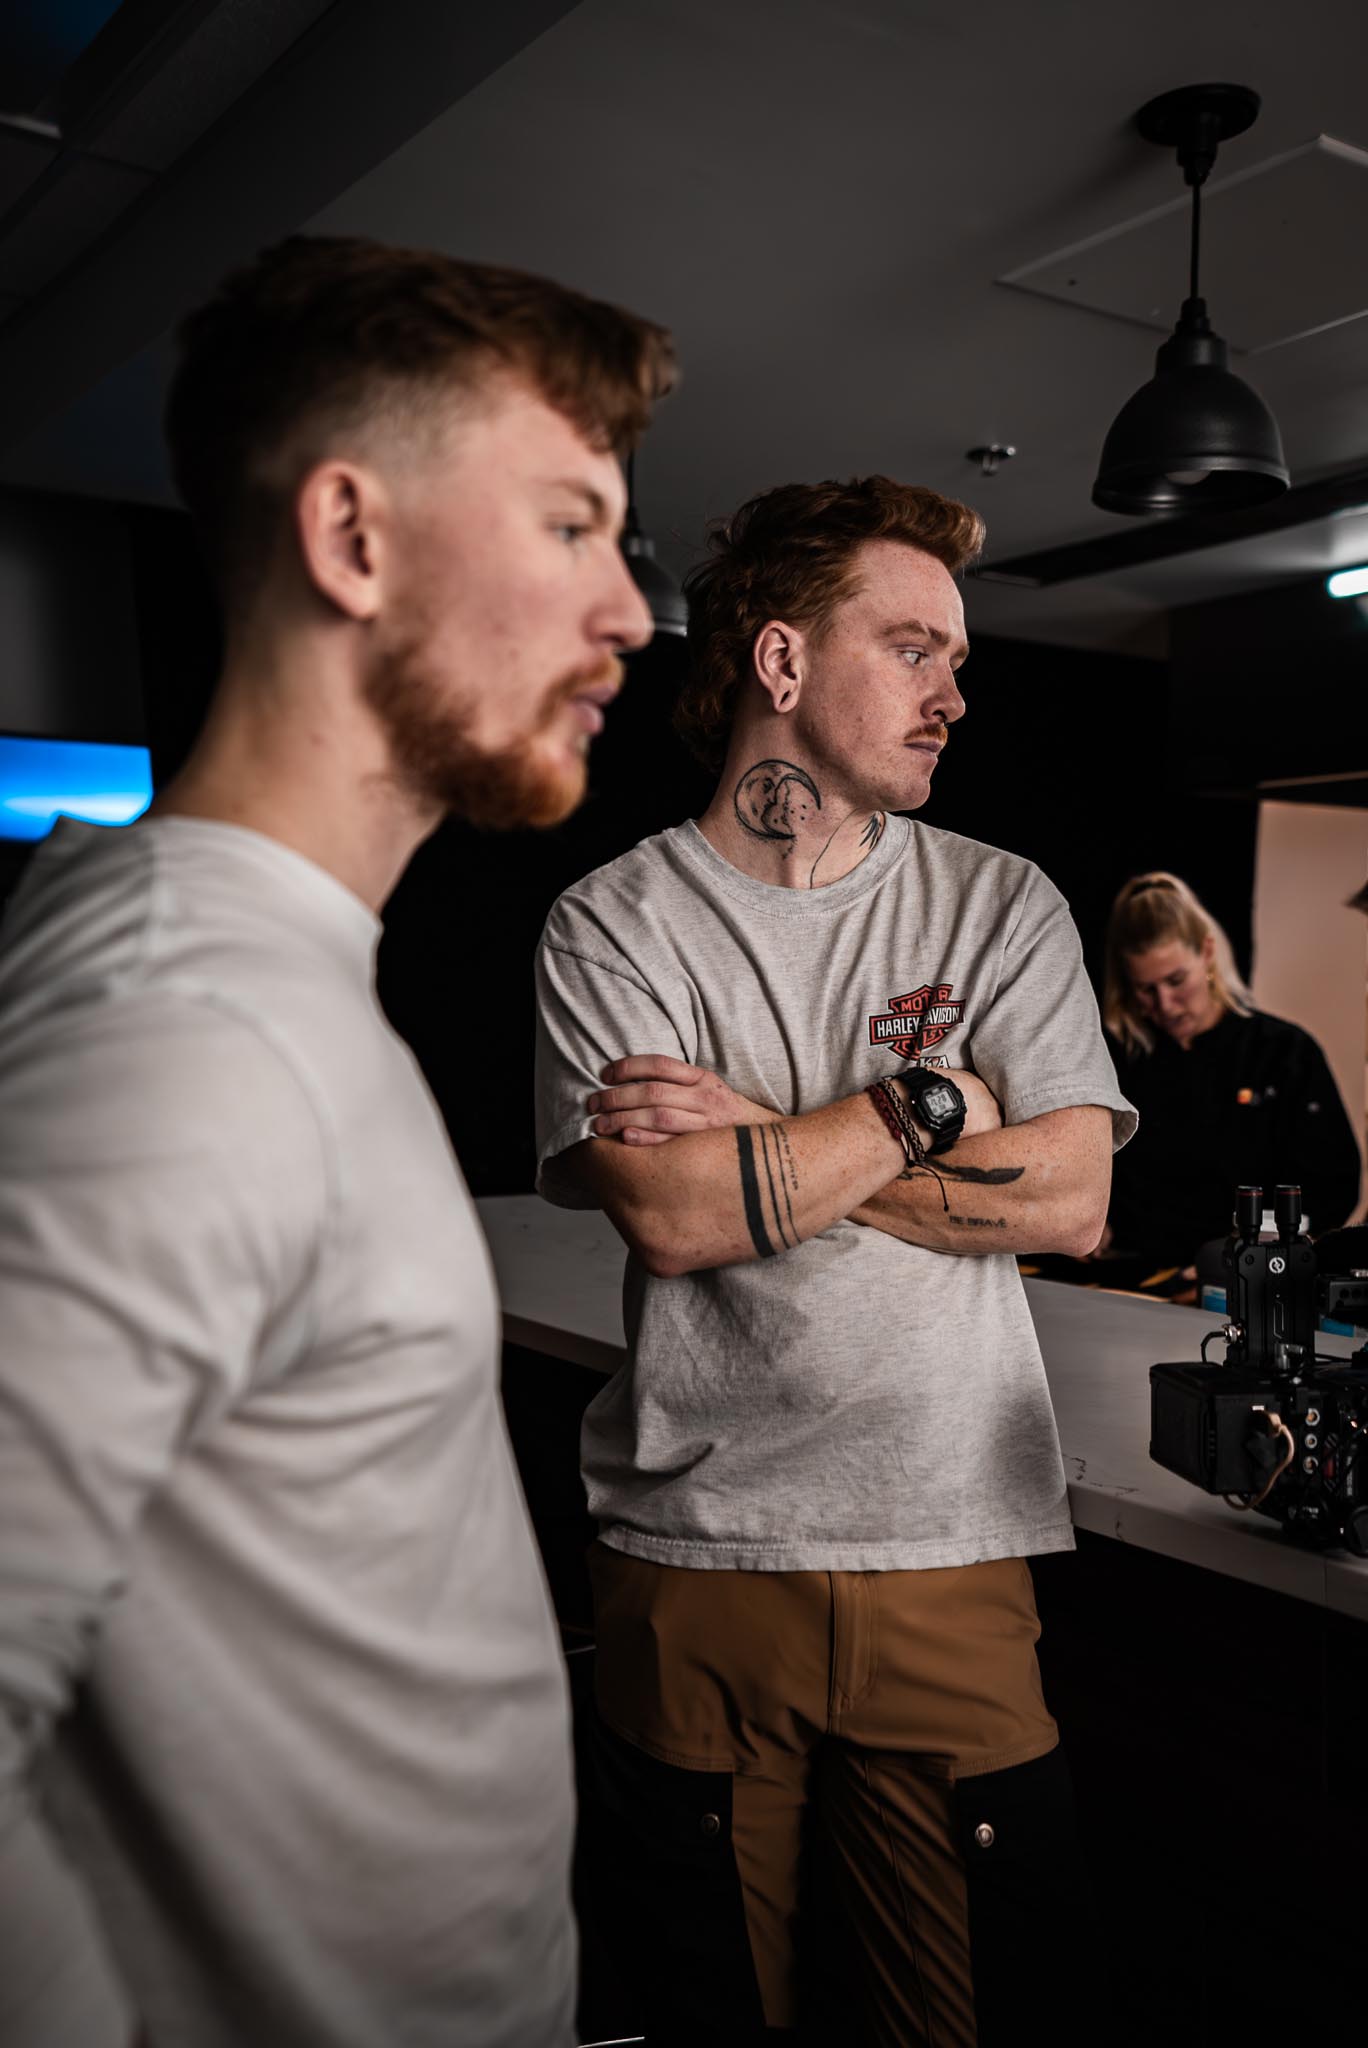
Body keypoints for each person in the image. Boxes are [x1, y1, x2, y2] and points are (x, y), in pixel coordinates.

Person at [0, 234, 673, 2048]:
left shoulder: (241, 969)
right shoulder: (193, 1032)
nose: (629, 610)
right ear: (351, 538)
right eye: (570, 525)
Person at [534, 477, 1137, 2045]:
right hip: (695, 1556)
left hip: (951, 1543)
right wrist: (927, 1105)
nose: (954, 695)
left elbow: (1073, 1199)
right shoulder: (614, 925)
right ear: (784, 662)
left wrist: (762, 1137)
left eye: (959, 660)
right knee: (714, 2009)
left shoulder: (1000, 904)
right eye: (915, 648)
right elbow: (674, 1217)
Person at [1101, 871, 1360, 1272]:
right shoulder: (1113, 1058)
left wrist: (1246, 1262)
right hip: (1130, 1272)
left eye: (1176, 981)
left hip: (1250, 1276)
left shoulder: (1284, 1053)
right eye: (1146, 989)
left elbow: (1333, 1188)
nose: (1165, 1004)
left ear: (1207, 953)